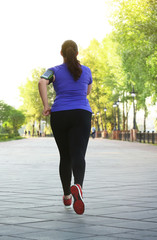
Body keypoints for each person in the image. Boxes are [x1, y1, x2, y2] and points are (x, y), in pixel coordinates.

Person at [38, 40, 92, 215]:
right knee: (79, 155)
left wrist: (46, 105)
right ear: (77, 53)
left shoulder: (53, 70)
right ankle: (78, 187)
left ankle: (67, 196)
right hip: (82, 114)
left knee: (65, 157)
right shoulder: (87, 71)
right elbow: (87, 92)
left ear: (61, 53)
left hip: (60, 114)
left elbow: (41, 82)